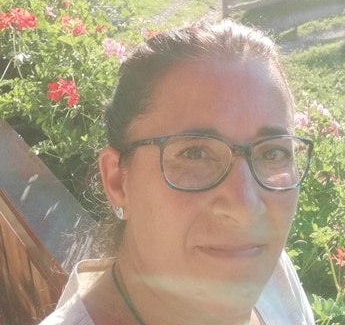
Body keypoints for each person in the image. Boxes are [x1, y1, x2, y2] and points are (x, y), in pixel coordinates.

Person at [40, 18, 315, 324]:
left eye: (273, 152)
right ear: (117, 182)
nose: (245, 207)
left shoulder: (269, 274)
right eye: (195, 153)